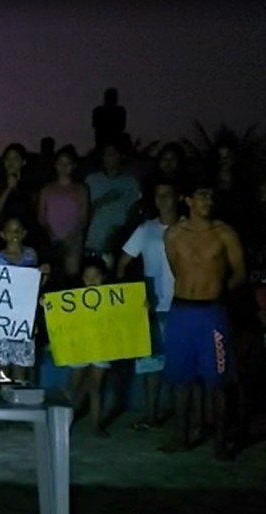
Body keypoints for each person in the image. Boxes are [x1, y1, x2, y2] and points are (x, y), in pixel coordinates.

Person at [161, 175, 245, 458]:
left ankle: (220, 443)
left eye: (210, 196)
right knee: (180, 380)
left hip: (212, 314)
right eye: (201, 196)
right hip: (182, 312)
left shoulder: (225, 233)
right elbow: (177, 270)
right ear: (187, 200)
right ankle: (181, 437)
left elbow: (240, 273)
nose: (207, 202)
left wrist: (218, 292)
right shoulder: (173, 234)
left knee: (217, 381)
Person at [116, 176, 178, 431]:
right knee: (151, 366)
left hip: (184, 306)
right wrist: (131, 298)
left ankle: (185, 418)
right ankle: (151, 415)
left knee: (182, 366)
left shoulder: (188, 228)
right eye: (159, 195)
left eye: (168, 194)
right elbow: (122, 265)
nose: (163, 200)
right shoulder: (145, 229)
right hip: (152, 307)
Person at [0, 217, 50, 383]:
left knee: (20, 372)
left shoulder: (31, 255)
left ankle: (18, 405)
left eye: (18, 230)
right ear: (3, 234)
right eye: (10, 230)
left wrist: (45, 275)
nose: (14, 234)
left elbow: (34, 287)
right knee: (0, 371)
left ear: (24, 233)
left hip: (23, 319)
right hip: (1, 319)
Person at [65, 257, 113, 438]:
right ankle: (64, 422)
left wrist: (141, 307)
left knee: (96, 387)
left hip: (102, 346)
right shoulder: (73, 299)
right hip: (79, 346)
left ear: (104, 277)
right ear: (82, 278)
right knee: (73, 386)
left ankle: (96, 425)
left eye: (96, 277)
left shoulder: (112, 299)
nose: (92, 281)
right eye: (87, 277)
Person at [85, 142, 141, 267]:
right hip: (92, 241)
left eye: (112, 154)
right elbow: (83, 212)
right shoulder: (91, 180)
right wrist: (102, 201)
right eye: (106, 155)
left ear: (120, 156)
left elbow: (133, 214)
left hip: (118, 243)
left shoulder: (130, 182)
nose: (108, 158)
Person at [38, 146, 87, 278]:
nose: (64, 167)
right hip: (51, 240)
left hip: (73, 240)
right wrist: (51, 236)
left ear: (73, 166)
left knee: (71, 277)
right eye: (60, 163)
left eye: (68, 163)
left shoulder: (80, 189)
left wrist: (71, 238)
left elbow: (83, 218)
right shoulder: (47, 190)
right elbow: (41, 217)